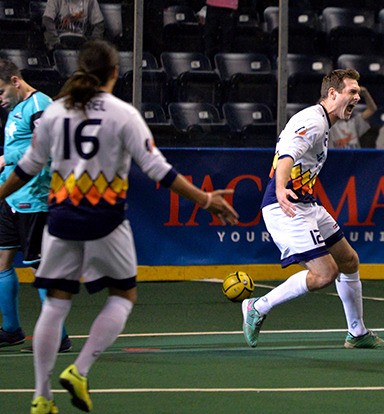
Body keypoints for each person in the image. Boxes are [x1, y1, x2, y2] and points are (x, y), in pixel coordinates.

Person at [0, 40, 239, 414]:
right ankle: (79, 371)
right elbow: (160, 171)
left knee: (55, 306)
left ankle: (41, 396)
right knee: (123, 296)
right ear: (114, 74)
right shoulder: (122, 114)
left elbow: (25, 169)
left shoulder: (55, 112)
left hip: (61, 218)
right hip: (105, 221)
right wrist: (206, 200)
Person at [242, 69, 384, 350]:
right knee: (325, 274)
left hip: (307, 203)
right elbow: (287, 153)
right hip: (285, 206)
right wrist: (280, 188)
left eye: (358, 92)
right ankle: (258, 306)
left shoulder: (323, 121)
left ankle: (357, 333)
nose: (357, 97)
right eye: (352, 91)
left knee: (349, 261)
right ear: (333, 94)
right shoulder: (312, 121)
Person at [0, 59, 72, 353]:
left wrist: (6, 159)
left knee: (41, 268)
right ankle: (12, 329)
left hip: (34, 199)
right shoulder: (15, 110)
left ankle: (59, 336)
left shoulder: (40, 104)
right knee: (2, 262)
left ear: (15, 81)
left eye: (1, 91)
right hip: (11, 197)